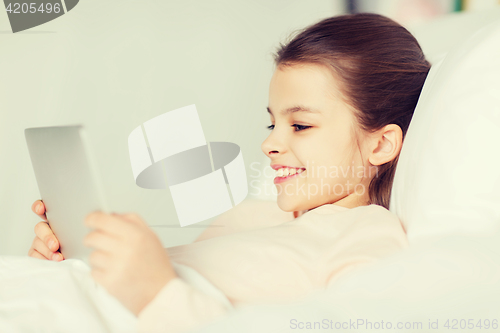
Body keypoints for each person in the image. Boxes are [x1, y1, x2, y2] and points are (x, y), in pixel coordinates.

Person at [27, 13, 430, 333]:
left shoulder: (366, 236)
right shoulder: (248, 215)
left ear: (380, 144)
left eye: (301, 125)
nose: (269, 145)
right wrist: (74, 264)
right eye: (272, 124)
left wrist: (156, 293)